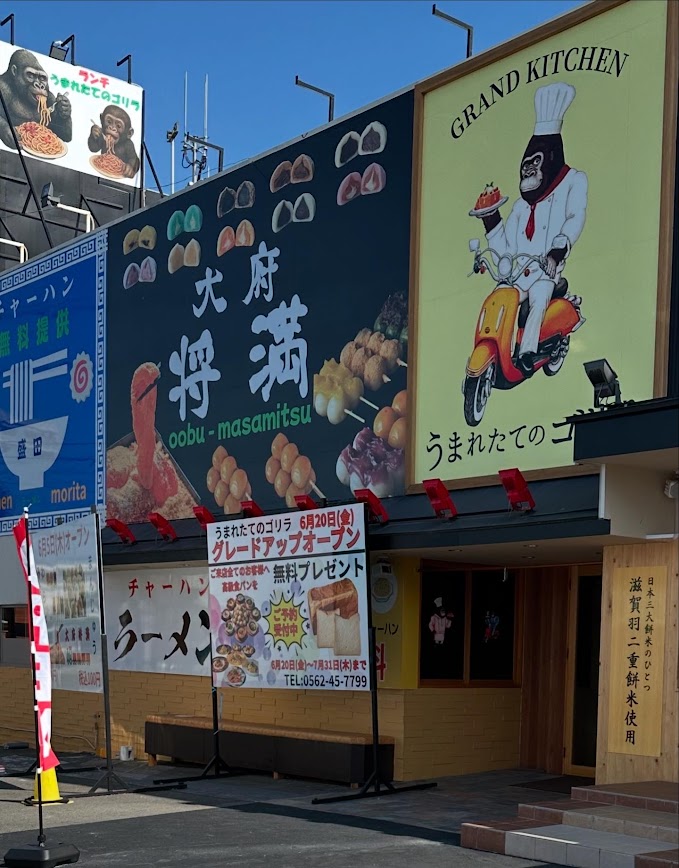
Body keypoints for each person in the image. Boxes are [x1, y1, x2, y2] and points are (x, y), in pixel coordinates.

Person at [474, 82, 588, 376]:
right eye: (526, 164)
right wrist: (491, 221)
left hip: (545, 273)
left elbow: (574, 218)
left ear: (551, 158)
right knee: (498, 298)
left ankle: (527, 352)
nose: (529, 170)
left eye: (535, 162)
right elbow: (505, 251)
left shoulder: (573, 182)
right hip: (516, 275)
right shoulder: (520, 207)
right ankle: (494, 347)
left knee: (539, 297)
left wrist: (557, 251)